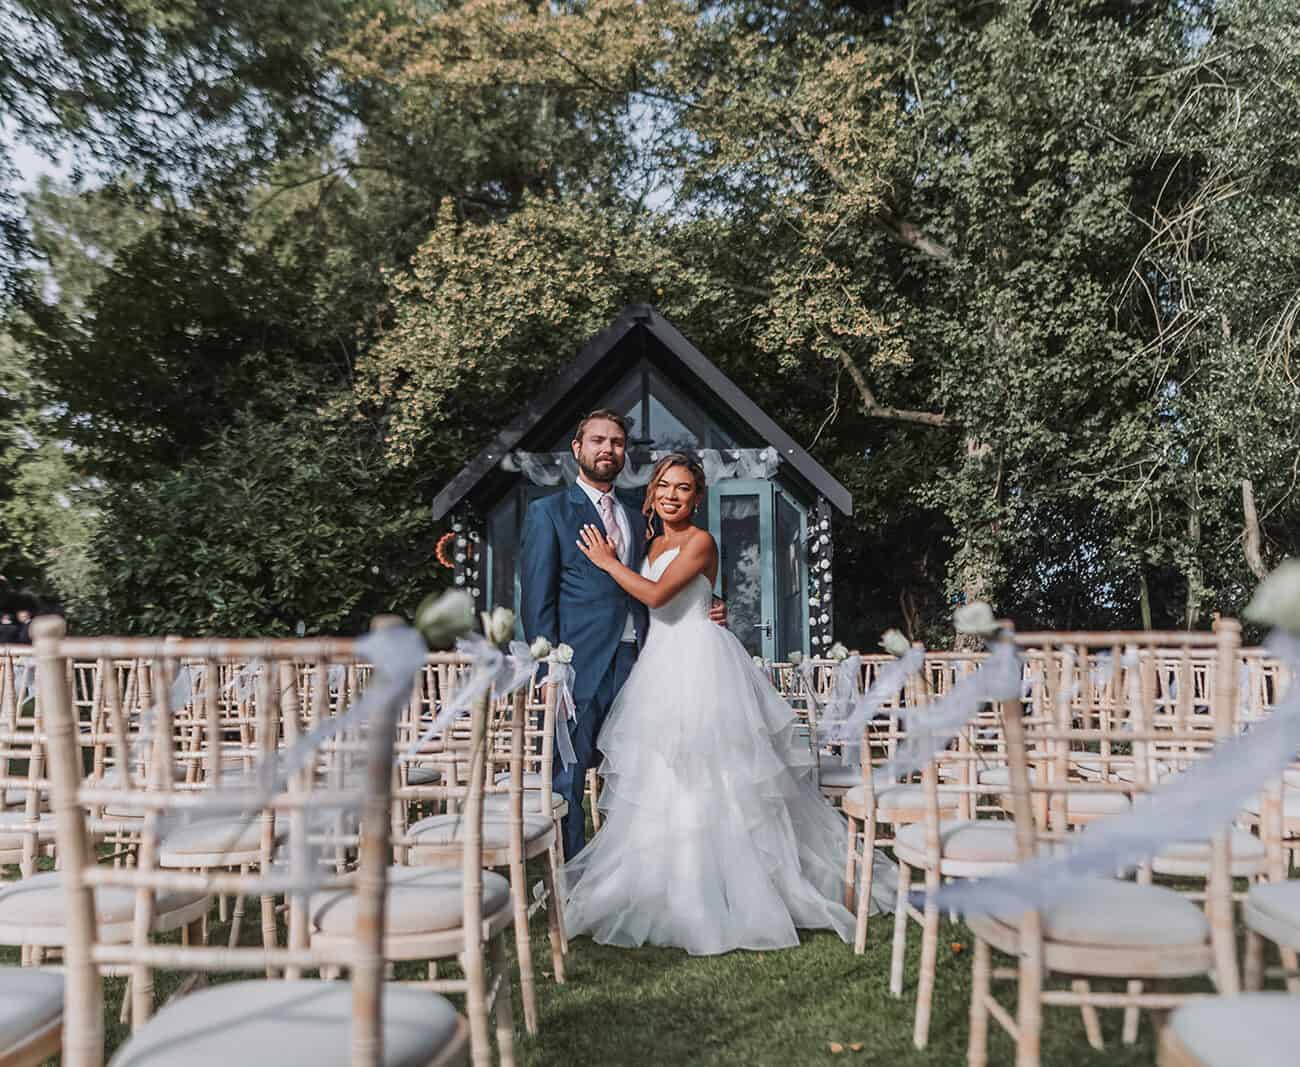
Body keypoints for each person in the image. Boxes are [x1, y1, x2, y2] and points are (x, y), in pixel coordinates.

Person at [560, 453, 893, 955]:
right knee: (661, 774)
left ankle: (725, 887)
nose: (673, 495)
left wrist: (606, 562)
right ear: (652, 493)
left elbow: (654, 597)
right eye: (665, 486)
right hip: (658, 663)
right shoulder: (652, 543)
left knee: (713, 773)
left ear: (698, 497)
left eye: (685, 488)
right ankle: (658, 881)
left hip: (700, 662)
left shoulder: (700, 542)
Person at [520, 410, 726, 859]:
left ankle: (633, 862)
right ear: (578, 448)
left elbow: (675, 578)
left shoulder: (639, 520)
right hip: (578, 666)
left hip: (642, 663)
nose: (607, 449)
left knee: (642, 768)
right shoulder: (548, 513)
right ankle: (570, 872)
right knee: (569, 773)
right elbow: (537, 600)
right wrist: (546, 668)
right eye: (597, 440)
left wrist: (711, 604)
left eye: (616, 442)